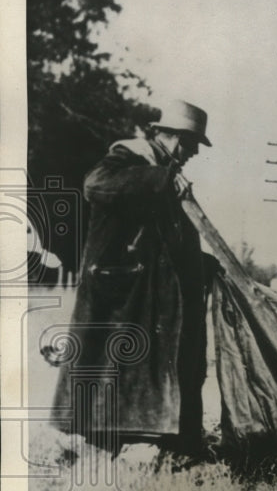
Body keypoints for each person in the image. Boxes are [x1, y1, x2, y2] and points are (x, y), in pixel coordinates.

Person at [51, 100, 215, 455]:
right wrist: (163, 178)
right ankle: (102, 451)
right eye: (190, 145)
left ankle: (162, 445)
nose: (192, 154)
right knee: (109, 376)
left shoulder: (163, 174)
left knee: (136, 374)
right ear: (170, 137)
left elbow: (162, 242)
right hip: (115, 291)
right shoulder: (130, 161)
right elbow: (95, 184)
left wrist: (204, 265)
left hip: (139, 289)